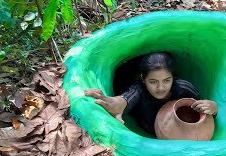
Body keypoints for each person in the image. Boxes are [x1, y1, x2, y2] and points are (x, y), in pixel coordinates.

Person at [84, 52, 218, 136]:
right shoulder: (139, 90)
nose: (161, 88)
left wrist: (213, 108)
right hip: (147, 129)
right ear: (143, 79)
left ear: (173, 76)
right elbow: (125, 99)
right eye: (153, 81)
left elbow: (204, 110)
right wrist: (112, 102)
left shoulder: (184, 89)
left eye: (167, 80)